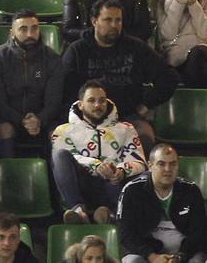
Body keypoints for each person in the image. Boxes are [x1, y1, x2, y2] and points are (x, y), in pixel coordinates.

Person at [61, 0, 180, 148]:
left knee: (145, 136)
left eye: (118, 20)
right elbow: (65, 89)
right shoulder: (77, 50)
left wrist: (147, 104)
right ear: (94, 20)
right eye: (108, 20)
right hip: (88, 119)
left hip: (127, 118)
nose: (114, 25)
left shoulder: (135, 47)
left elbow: (169, 77)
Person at [53, 80, 146, 225]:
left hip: (113, 184)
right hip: (82, 185)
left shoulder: (126, 128)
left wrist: (121, 171)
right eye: (91, 100)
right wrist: (96, 165)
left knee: (140, 178)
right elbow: (69, 157)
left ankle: (108, 215)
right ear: (80, 105)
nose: (97, 105)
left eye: (102, 101)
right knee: (59, 156)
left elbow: (140, 162)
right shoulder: (63, 130)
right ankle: (79, 213)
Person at [116, 144, 207, 263]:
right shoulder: (132, 191)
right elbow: (125, 234)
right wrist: (152, 256)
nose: (168, 169)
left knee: (199, 260)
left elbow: (199, 232)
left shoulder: (191, 191)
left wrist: (181, 256)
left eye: (173, 164)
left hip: (184, 252)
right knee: (133, 261)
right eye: (161, 164)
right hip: (146, 252)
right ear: (150, 166)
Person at [0, 11, 63, 158]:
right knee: (4, 130)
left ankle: (54, 180)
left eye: (34, 28)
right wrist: (23, 122)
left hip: (44, 120)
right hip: (9, 118)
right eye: (23, 29)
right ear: (12, 32)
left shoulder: (53, 59)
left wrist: (39, 120)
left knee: (58, 134)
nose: (30, 34)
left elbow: (54, 101)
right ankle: (6, 178)